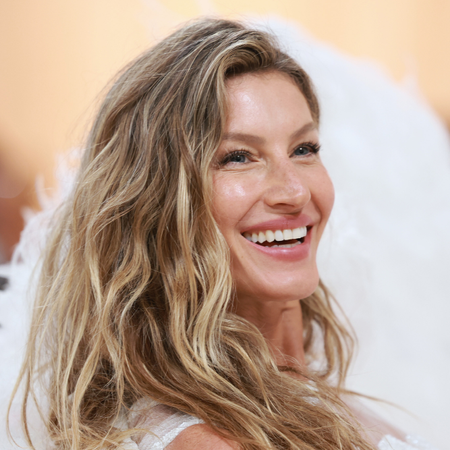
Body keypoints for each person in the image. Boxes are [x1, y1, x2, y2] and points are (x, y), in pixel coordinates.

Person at [10, 18, 437, 450]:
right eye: (238, 157)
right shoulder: (207, 441)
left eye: (303, 149)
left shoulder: (306, 390)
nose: (294, 190)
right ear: (158, 202)